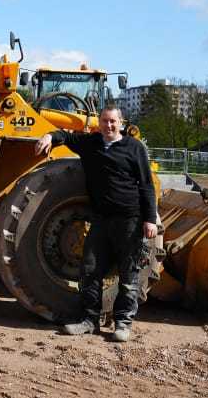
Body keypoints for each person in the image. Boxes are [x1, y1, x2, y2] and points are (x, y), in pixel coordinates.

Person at [34, 105, 157, 342]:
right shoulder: (91, 143)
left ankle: (122, 323)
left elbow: (146, 185)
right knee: (89, 271)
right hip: (100, 219)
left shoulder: (135, 148)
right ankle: (90, 321)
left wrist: (150, 219)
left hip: (129, 220)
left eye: (113, 121)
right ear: (98, 123)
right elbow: (67, 136)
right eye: (104, 121)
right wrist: (50, 136)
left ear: (121, 122)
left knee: (129, 274)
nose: (108, 126)